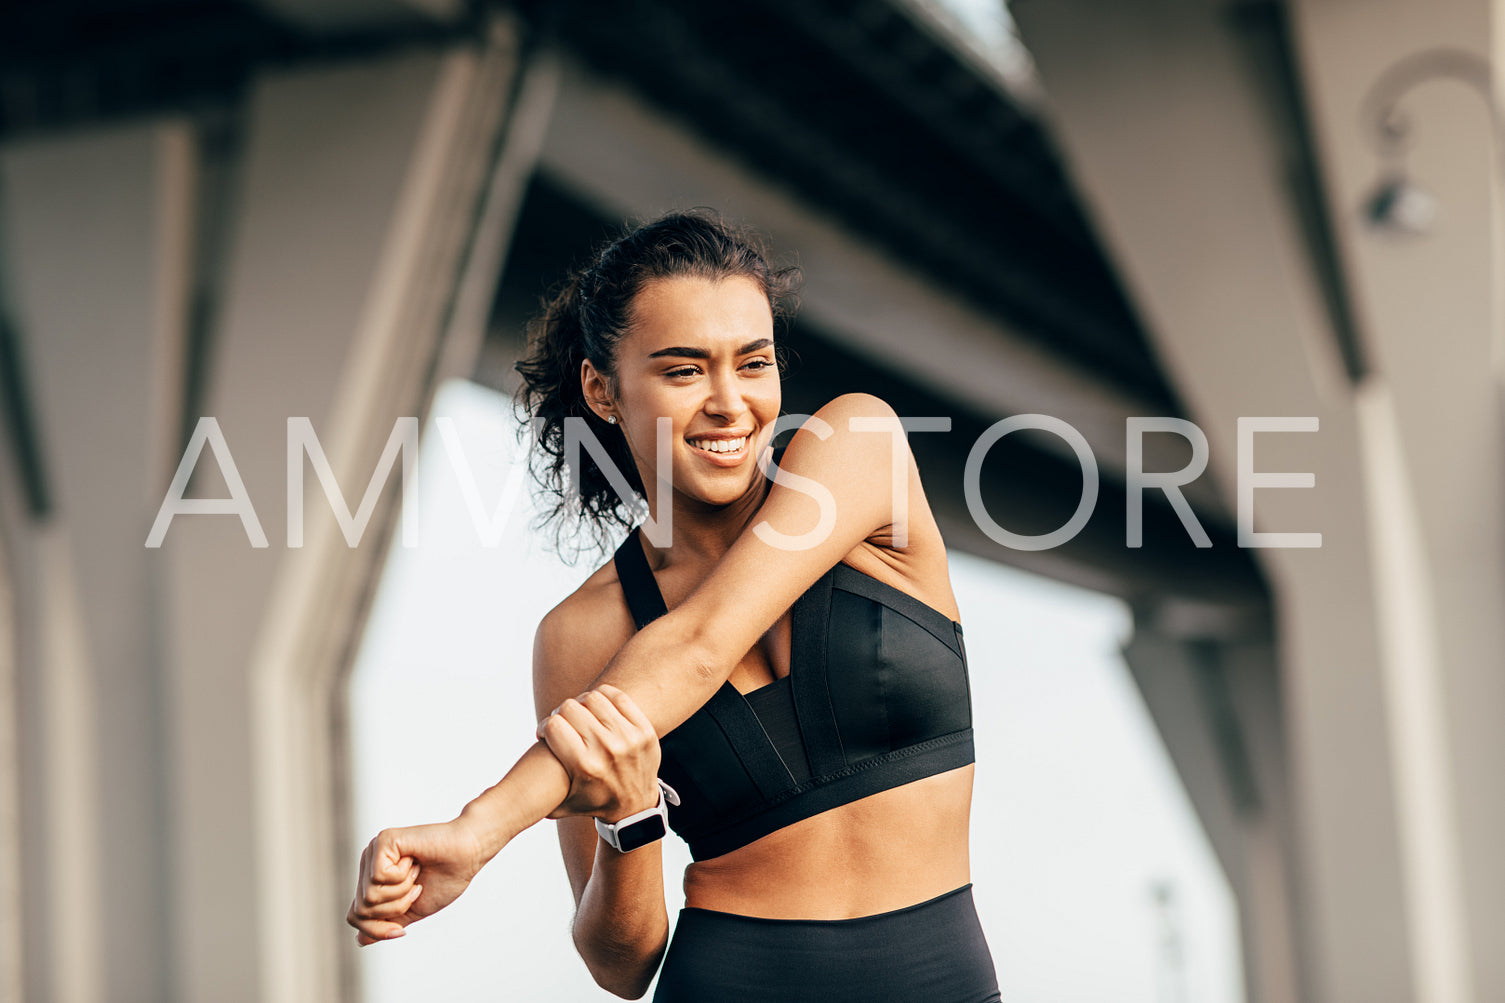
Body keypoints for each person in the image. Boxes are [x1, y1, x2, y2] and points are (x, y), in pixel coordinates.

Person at [347, 209, 1001, 1001]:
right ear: (602, 388)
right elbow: (620, 966)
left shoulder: (858, 447)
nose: (729, 402)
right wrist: (628, 819)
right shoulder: (582, 632)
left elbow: (700, 643)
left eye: (752, 363)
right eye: (684, 370)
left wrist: (475, 831)